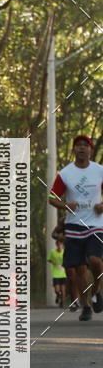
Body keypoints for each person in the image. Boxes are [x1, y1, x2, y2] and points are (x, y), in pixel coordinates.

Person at [49, 134, 103, 321]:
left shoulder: (99, 170)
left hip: (96, 224)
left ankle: (97, 291)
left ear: (90, 150)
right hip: (73, 226)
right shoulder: (65, 174)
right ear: (73, 150)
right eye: (78, 145)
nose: (81, 148)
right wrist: (66, 205)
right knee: (79, 269)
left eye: (85, 145)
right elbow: (52, 198)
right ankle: (86, 306)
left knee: (95, 260)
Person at [47, 237, 67, 307]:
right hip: (55, 273)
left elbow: (68, 260)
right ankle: (58, 295)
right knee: (57, 289)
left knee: (63, 290)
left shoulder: (65, 252)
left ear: (62, 245)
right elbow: (49, 259)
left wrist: (65, 264)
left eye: (60, 245)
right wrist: (53, 262)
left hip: (64, 274)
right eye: (58, 245)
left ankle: (61, 302)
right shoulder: (53, 252)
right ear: (56, 245)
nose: (59, 246)